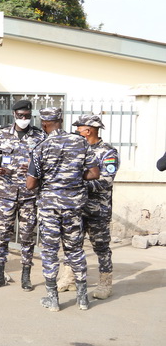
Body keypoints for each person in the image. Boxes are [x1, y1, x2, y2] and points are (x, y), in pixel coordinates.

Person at [27, 107, 100, 312]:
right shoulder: (80, 142)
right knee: (75, 250)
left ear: (44, 124)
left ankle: (53, 299)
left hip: (50, 207)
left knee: (50, 251)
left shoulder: (40, 147)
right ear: (61, 120)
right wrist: (74, 177)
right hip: (73, 206)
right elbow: (94, 173)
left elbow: (31, 184)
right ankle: (83, 299)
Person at [55, 114, 119, 299]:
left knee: (101, 247)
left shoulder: (108, 153)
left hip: (98, 209)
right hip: (75, 207)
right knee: (71, 243)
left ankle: (105, 283)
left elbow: (106, 181)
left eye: (79, 128)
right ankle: (69, 278)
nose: (76, 131)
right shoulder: (76, 150)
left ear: (88, 130)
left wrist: (76, 183)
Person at [0, 100, 46, 290]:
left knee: (27, 235)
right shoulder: (2, 133)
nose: (24, 119)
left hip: (29, 194)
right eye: (20, 116)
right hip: (6, 192)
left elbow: (46, 162)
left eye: (27, 116)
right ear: (14, 114)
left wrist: (34, 168)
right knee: (3, 233)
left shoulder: (40, 135)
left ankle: (26, 276)